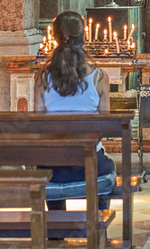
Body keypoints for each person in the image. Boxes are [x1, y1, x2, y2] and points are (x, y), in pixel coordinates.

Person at [34, 11, 115, 211]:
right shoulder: (98, 77)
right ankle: (97, 221)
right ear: (83, 37)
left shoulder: (42, 77)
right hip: (89, 165)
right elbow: (105, 124)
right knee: (109, 167)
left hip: (53, 166)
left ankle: (56, 227)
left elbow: (38, 121)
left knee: (47, 165)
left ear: (55, 38)